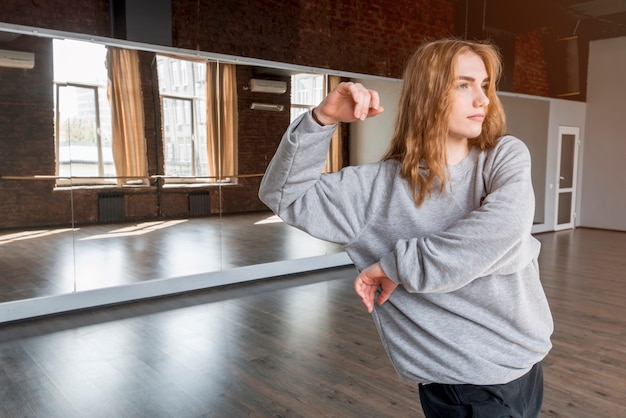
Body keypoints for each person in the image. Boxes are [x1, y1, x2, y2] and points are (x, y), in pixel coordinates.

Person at [258, 38, 553, 417]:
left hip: (526, 362)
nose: (483, 100)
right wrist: (322, 119)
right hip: (464, 384)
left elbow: (503, 230)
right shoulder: (374, 190)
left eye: (485, 85)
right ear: (427, 94)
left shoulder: (503, 156)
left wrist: (395, 266)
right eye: (464, 84)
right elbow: (284, 196)